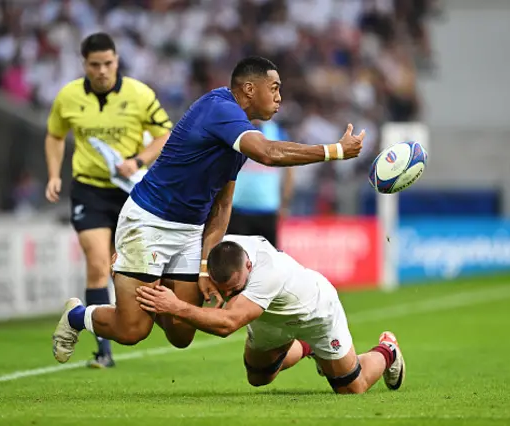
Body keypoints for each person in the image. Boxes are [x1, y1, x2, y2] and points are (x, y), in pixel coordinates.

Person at [52, 56, 365, 364]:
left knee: (181, 333)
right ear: (249, 89)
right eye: (274, 87)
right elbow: (269, 154)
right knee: (133, 330)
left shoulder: (239, 133)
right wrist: (335, 151)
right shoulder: (220, 110)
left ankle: (144, 280)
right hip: (149, 222)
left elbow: (222, 204)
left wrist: (204, 267)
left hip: (189, 230)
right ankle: (77, 316)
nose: (280, 97)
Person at [45, 32, 172, 368]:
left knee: (137, 267)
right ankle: (104, 351)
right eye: (94, 64)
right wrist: (54, 174)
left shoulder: (139, 94)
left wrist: (139, 161)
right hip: (89, 188)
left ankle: (112, 320)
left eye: (108, 63)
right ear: (84, 64)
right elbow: (55, 135)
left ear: (117, 61)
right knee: (99, 264)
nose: (102, 70)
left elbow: (164, 133)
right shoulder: (68, 97)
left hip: (133, 190)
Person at [135, 235, 405, 394]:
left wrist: (176, 307)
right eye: (224, 290)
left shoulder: (268, 271)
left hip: (314, 313)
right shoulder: (220, 252)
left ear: (249, 266)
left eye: (235, 289)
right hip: (268, 317)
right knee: (258, 378)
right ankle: (308, 349)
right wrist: (130, 256)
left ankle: (386, 351)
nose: (229, 295)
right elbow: (176, 245)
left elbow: (228, 324)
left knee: (351, 388)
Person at [227, 119, 294, 247]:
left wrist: (285, 201)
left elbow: (289, 171)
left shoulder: (277, 132)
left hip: (267, 209)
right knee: (237, 259)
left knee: (268, 260)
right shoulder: (236, 130)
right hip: (238, 209)